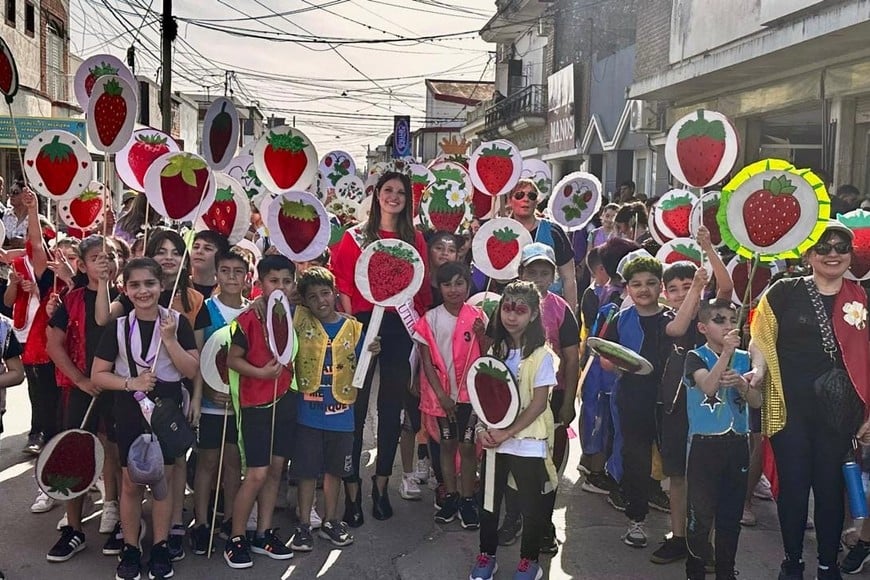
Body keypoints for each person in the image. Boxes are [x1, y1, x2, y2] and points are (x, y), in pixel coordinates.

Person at [750, 220, 870, 580]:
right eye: (824, 247)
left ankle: (827, 564)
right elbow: (759, 338)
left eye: (841, 247)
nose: (833, 254)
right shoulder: (783, 291)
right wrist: (757, 370)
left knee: (832, 490)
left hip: (842, 412)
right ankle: (792, 562)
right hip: (790, 409)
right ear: (809, 254)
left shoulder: (863, 297)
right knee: (794, 488)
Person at [331, 171, 431, 525]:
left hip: (398, 328)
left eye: (400, 192)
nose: (393, 197)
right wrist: (350, 325)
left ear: (408, 199)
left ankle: (381, 485)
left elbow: (420, 290)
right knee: (355, 412)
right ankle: (351, 491)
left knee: (392, 410)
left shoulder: (414, 239)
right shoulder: (354, 237)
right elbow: (341, 281)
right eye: (387, 190)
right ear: (377, 196)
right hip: (359, 324)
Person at [91, 257, 200, 580]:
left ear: (162, 285)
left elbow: (192, 371)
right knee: (131, 481)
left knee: (162, 481)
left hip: (166, 408)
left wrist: (169, 340)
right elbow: (98, 374)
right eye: (134, 285)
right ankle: (131, 547)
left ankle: (162, 546)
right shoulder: (119, 326)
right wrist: (130, 383)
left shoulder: (177, 322)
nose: (143, 291)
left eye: (149, 284)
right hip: (129, 407)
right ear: (124, 289)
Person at [651, 226, 733, 566]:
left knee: (706, 476)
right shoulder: (668, 318)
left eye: (688, 285)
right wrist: (696, 288)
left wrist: (708, 248)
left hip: (711, 404)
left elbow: (726, 287)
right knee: (679, 474)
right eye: (675, 289)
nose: (682, 292)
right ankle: (679, 536)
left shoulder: (712, 313)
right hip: (675, 405)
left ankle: (704, 542)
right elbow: (678, 329)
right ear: (665, 295)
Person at [469, 281, 558, 580]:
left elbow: (538, 403)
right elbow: (483, 394)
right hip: (495, 441)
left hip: (528, 443)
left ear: (533, 315)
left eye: (520, 310)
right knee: (489, 504)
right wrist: (483, 427)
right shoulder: (495, 349)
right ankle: (487, 556)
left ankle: (529, 561)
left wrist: (508, 432)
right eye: (507, 308)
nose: (511, 316)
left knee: (530, 508)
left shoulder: (542, 356)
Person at [45, 236, 125, 562]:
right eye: (96, 257)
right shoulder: (72, 299)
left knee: (116, 451)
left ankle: (116, 512)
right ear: (82, 265)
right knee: (76, 452)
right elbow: (53, 344)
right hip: (81, 389)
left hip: (119, 387)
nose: (104, 262)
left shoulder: (128, 296)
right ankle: (74, 528)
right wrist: (79, 379)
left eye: (111, 256)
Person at [289, 266, 379, 551]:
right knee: (306, 471)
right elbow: (280, 303)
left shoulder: (354, 328)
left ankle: (331, 520)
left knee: (335, 471)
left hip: (342, 415)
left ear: (335, 293)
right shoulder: (299, 321)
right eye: (312, 297)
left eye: (325, 293)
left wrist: (373, 349)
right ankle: (304, 523)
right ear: (305, 301)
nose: (321, 301)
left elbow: (364, 363)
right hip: (307, 414)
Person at [224, 255, 297, 569]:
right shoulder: (248, 318)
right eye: (273, 280)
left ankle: (263, 533)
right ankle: (236, 536)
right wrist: (260, 373)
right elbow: (232, 360)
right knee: (256, 474)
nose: (279, 286)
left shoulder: (295, 314)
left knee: (276, 471)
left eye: (285, 281)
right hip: (256, 403)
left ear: (293, 284)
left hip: (286, 400)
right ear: (260, 284)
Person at [684, 299, 762, 580]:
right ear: (703, 327)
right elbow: (707, 386)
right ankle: (695, 570)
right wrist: (725, 354)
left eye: (732, 320)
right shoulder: (695, 356)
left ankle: (726, 570)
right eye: (720, 321)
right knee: (700, 515)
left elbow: (756, 401)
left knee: (730, 515)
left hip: (737, 444)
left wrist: (743, 384)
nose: (728, 326)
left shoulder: (744, 359)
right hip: (705, 446)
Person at [509, 243, 579, 554]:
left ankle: (544, 522)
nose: (538, 278)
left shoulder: (562, 309)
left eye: (544, 272)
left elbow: (572, 359)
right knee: (515, 463)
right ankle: (514, 517)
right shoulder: (506, 306)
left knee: (548, 465)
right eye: (531, 272)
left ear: (553, 276)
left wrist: (567, 402)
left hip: (551, 400)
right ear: (520, 273)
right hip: (514, 401)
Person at [601, 253, 672, 549]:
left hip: (669, 399)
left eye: (651, 283)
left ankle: (682, 528)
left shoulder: (671, 319)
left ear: (661, 287)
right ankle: (636, 521)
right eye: (636, 284)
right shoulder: (620, 318)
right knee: (636, 458)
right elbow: (605, 357)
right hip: (632, 398)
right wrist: (622, 367)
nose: (644, 289)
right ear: (627, 287)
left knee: (675, 461)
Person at [413, 261, 486, 529]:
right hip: (443, 398)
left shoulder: (478, 316)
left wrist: (483, 334)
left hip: (470, 397)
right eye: (447, 284)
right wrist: (442, 395)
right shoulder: (430, 319)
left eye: (459, 283)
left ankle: (468, 499)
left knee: (468, 447)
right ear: (438, 287)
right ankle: (451, 497)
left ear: (468, 284)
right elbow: (427, 362)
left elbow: (488, 354)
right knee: (446, 444)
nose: (454, 289)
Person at [189, 249, 251, 555]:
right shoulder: (206, 309)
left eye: (237, 272)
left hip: (239, 404)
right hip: (212, 404)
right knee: (207, 462)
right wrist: (199, 397)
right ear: (216, 274)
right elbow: (199, 357)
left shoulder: (252, 313)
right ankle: (201, 522)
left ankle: (229, 519)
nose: (230, 277)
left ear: (246, 277)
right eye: (225, 271)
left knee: (232, 463)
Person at [507, 179, 577, 315]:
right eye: (520, 195)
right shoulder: (498, 231)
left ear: (537, 201)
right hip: (512, 309)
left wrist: (571, 316)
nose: (526, 199)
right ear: (510, 200)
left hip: (550, 309)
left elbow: (569, 278)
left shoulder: (554, 231)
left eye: (531, 196)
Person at [190, 230, 230, 298]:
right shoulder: (177, 286)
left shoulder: (227, 294)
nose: (199, 251)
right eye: (196, 247)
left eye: (207, 248)